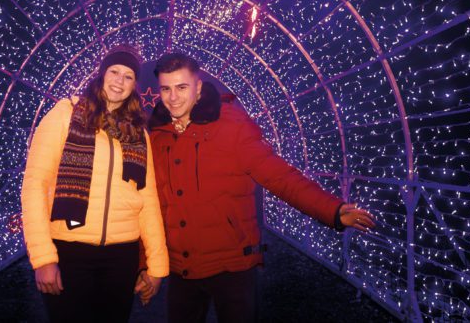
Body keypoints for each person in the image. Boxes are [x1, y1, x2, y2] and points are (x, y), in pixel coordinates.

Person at [138, 52, 375, 322]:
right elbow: (149, 205)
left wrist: (332, 210)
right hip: (182, 267)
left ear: (198, 87)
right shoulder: (157, 136)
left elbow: (279, 176)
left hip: (232, 265)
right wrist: (145, 265)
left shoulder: (232, 126)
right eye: (166, 89)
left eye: (182, 87)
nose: (173, 97)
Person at [21, 46, 168, 323]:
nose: (119, 81)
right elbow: (35, 185)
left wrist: (157, 267)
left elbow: (148, 201)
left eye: (128, 76)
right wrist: (43, 258)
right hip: (69, 250)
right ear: (101, 75)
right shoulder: (66, 115)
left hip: (121, 256)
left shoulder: (138, 133)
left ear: (134, 85)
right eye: (114, 72)